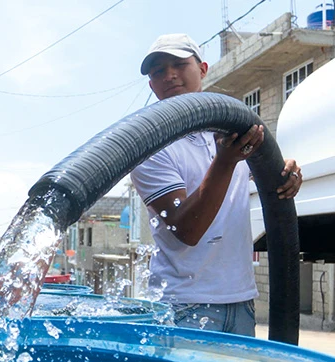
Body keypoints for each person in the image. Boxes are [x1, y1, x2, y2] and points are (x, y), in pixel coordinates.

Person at [130, 33, 303, 337]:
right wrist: (224, 162)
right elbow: (187, 230)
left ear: (203, 69)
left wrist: (286, 174)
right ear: (151, 85)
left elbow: (265, 173)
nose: (169, 75)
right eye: (158, 71)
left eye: (179, 64)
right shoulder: (149, 147)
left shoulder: (231, 129)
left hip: (241, 301)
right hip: (182, 306)